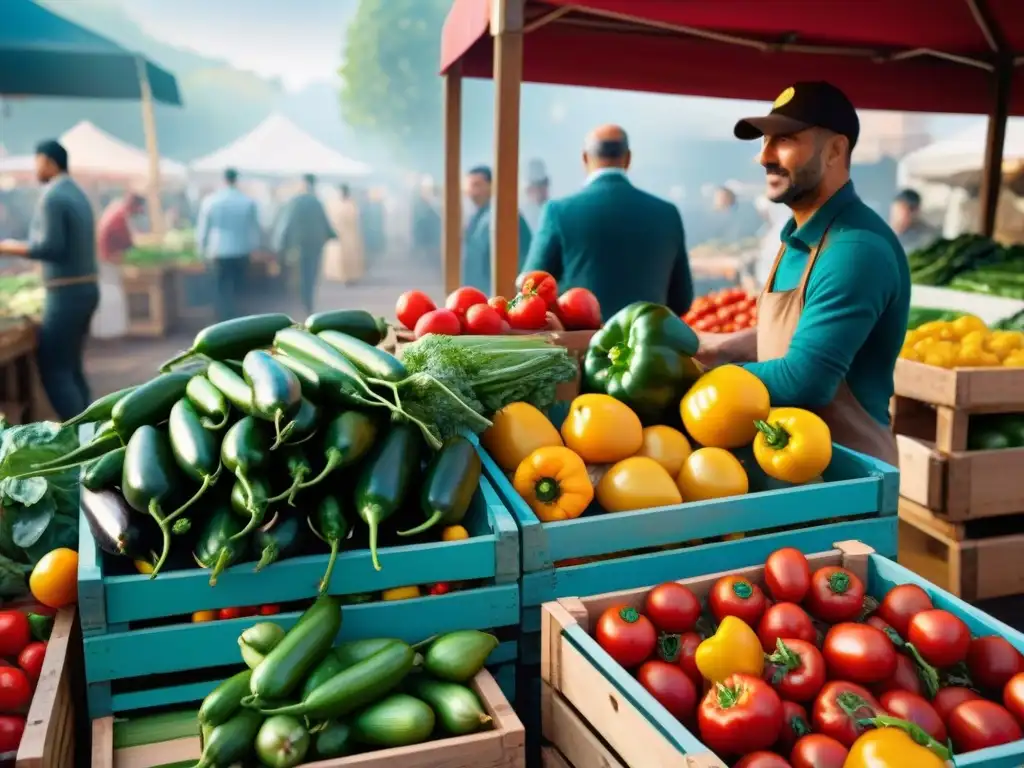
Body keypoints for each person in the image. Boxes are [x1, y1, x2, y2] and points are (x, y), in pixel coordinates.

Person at [698, 81, 910, 464]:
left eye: (785, 139)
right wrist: (716, 347)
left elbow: (804, 381)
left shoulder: (854, 249)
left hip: (848, 478)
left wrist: (694, 383)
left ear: (834, 150)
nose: (764, 157)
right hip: (795, 463)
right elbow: (793, 336)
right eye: (764, 141)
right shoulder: (799, 237)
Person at [522, 125, 693, 318]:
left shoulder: (558, 212)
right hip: (648, 343)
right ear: (628, 158)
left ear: (585, 158)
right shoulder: (667, 213)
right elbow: (682, 300)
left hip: (582, 344)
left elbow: (531, 289)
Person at [0, 140, 99, 420]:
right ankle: (92, 429)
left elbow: (49, 248)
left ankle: (81, 439)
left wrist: (6, 247)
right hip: (86, 289)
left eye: (37, 161)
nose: (36, 168)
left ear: (48, 161)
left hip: (65, 293)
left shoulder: (52, 196)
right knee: (72, 368)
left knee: (55, 369)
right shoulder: (77, 193)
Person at [196, 168, 262, 321]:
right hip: (241, 250)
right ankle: (237, 318)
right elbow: (255, 228)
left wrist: (201, 250)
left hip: (217, 250)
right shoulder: (247, 201)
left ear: (223, 180)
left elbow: (203, 229)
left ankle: (222, 318)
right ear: (236, 180)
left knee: (220, 287)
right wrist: (256, 248)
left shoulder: (211, 201)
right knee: (238, 287)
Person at [461, 166, 533, 294]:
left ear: (491, 186)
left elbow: (521, 257)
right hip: (476, 291)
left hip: (500, 292)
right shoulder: (475, 217)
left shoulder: (504, 214)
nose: (472, 192)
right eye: (469, 186)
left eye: (477, 185)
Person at [272, 174, 335, 313]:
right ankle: (309, 300)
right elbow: (325, 223)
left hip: (299, 245)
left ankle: (304, 299)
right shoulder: (317, 202)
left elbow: (285, 224)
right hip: (316, 244)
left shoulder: (295, 201)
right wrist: (332, 235)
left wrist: (279, 244)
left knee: (300, 273)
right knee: (312, 272)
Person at [93, 192, 144, 340]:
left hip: (107, 258)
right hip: (108, 259)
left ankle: (110, 331)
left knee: (109, 293)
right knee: (112, 295)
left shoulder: (116, 210)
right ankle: (111, 332)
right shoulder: (119, 216)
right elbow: (126, 242)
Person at [322, 184, 365, 286]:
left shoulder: (351, 204)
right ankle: (341, 276)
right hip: (340, 234)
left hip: (349, 235)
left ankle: (350, 276)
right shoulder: (335, 204)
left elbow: (355, 218)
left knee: (349, 257)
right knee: (339, 257)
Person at [889, 189, 939, 253]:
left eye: (900, 211)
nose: (895, 216)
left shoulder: (928, 238)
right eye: (894, 211)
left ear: (914, 212)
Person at [522, 159, 550, 233]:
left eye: (544, 184)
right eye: (538, 186)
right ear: (529, 190)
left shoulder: (551, 211)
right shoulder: (522, 215)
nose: (542, 190)